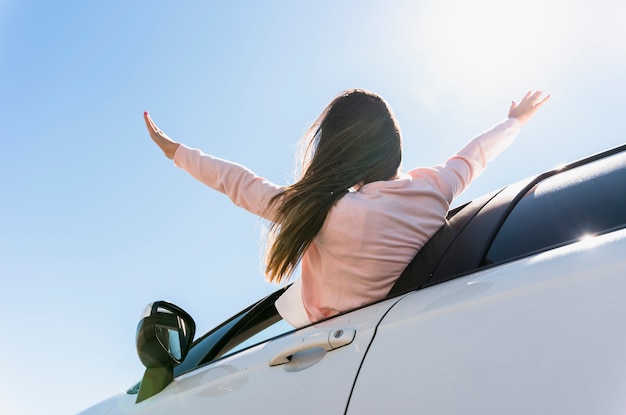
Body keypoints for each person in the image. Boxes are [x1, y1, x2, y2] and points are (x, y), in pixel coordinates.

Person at [144, 89, 549, 327]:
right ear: (394, 145)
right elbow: (474, 157)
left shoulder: (329, 214)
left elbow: (241, 185)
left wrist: (176, 153)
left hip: (328, 343)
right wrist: (514, 122)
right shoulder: (436, 188)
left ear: (340, 152)